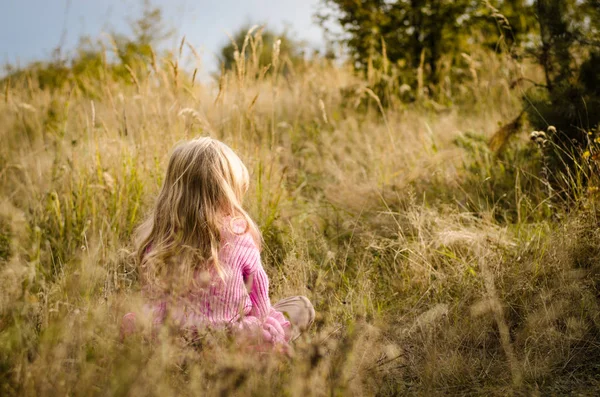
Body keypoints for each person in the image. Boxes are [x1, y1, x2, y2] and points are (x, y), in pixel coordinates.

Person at [121, 137, 315, 350]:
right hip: (225, 343)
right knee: (299, 307)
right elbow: (260, 308)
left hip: (168, 343)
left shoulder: (157, 241)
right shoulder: (240, 238)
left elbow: (154, 303)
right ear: (227, 193)